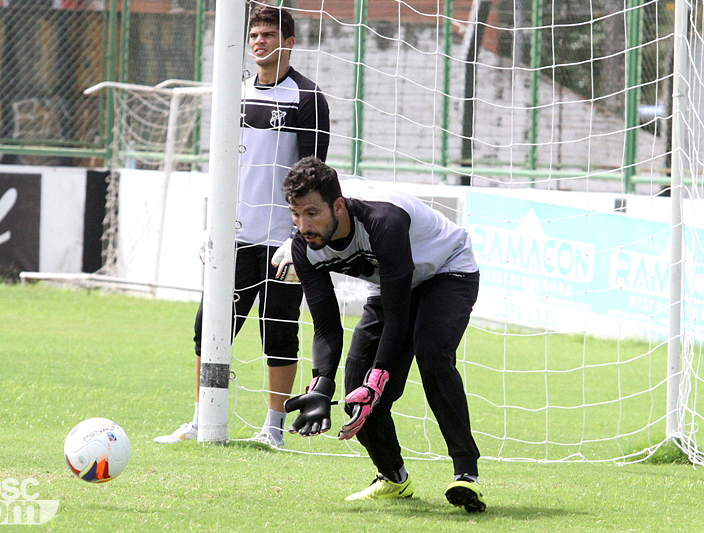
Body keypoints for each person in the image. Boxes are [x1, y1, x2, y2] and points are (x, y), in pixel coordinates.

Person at [155, 5, 330, 449]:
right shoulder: (234, 93)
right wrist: (213, 225)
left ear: (288, 41)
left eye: (269, 33)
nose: (259, 41)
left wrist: (300, 241)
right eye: (254, 33)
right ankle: (200, 420)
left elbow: (315, 178)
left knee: (279, 334)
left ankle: (273, 430)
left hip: (283, 244)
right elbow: (225, 166)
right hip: (233, 237)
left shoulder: (308, 99)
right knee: (208, 328)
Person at [279, 157, 486, 511]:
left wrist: (378, 381)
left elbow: (397, 316)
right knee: (353, 391)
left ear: (338, 205)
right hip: (391, 288)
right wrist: (321, 383)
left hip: (447, 270)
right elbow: (327, 325)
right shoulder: (304, 246)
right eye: (296, 214)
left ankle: (466, 473)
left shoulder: (382, 222)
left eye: (312, 213)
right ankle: (393, 477)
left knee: (432, 353)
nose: (303, 225)